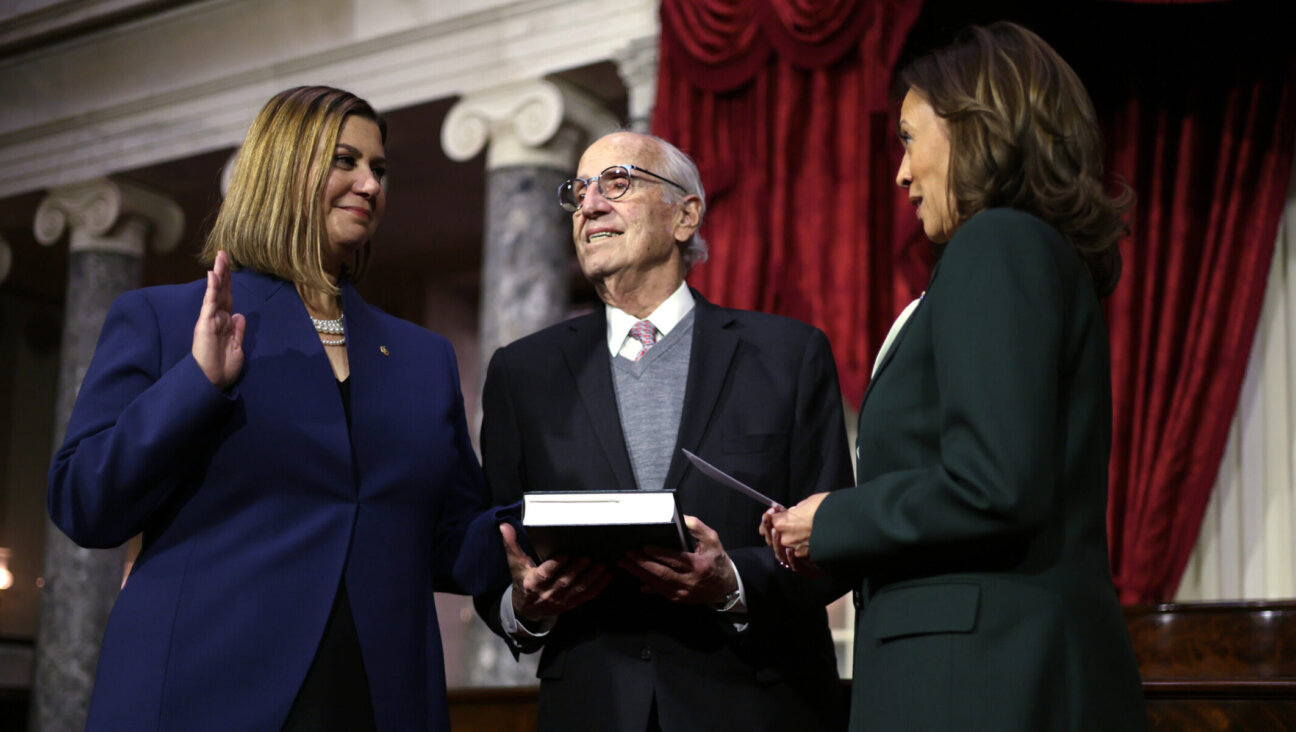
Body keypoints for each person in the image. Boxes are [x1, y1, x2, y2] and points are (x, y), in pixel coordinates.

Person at [47, 86, 505, 732]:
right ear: (284, 167)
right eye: (345, 161)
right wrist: (198, 383)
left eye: (379, 169)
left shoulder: (421, 358)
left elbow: (453, 539)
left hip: (377, 703)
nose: (369, 185)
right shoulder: (165, 319)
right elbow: (83, 501)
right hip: (201, 696)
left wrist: (544, 533)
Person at [763, 22, 1149, 731]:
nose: (901, 174)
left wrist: (836, 518)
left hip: (978, 681)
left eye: (909, 138)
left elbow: (993, 484)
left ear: (977, 126)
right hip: (989, 670)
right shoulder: (1021, 253)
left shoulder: (996, 243)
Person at [474, 131, 854, 731]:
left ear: (686, 215)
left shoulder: (787, 356)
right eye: (579, 191)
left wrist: (732, 582)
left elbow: (836, 542)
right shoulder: (522, 373)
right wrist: (524, 606)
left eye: (617, 182)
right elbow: (495, 554)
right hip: (592, 709)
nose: (591, 204)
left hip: (758, 703)